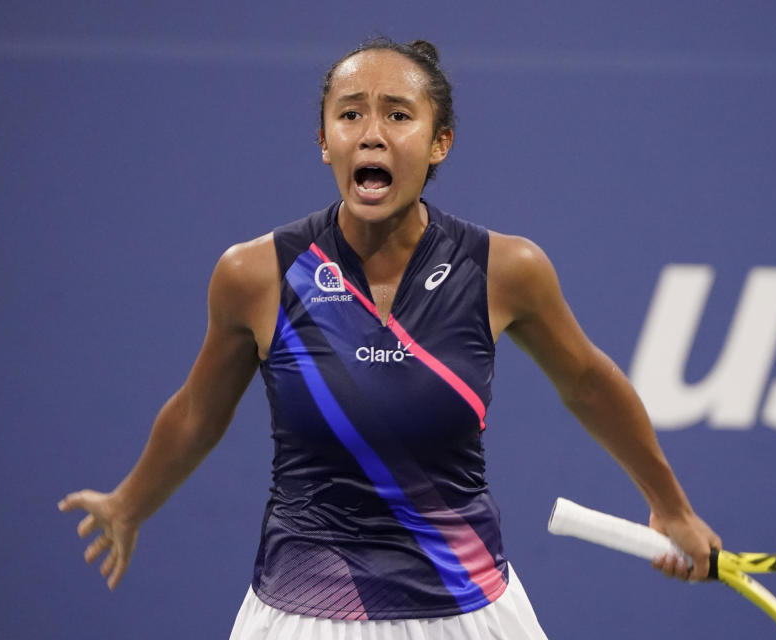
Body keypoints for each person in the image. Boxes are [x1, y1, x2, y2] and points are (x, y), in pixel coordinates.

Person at [59, 38, 721, 639]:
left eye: (398, 115)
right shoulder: (254, 275)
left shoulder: (506, 270)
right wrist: (130, 503)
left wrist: (670, 506)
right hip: (298, 616)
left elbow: (588, 383)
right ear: (324, 140)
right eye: (350, 115)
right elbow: (199, 412)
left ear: (441, 142)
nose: (372, 134)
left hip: (470, 611)